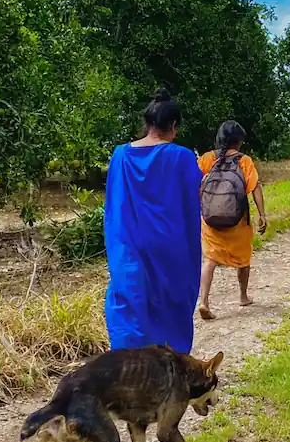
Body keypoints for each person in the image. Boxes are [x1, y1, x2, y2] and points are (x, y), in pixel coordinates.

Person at [103, 88, 202, 354]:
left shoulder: (120, 155)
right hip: (170, 245)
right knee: (171, 305)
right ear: (173, 125)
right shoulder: (182, 157)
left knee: (131, 304)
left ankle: (131, 365)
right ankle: (170, 362)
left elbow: (114, 205)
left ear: (147, 123)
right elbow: (193, 200)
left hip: (130, 245)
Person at [197, 121, 267, 320]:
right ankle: (243, 296)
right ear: (239, 141)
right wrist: (262, 215)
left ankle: (204, 301)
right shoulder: (244, 160)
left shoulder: (207, 159)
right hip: (238, 220)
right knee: (243, 260)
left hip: (210, 220)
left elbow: (194, 186)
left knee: (210, 260)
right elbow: (255, 187)